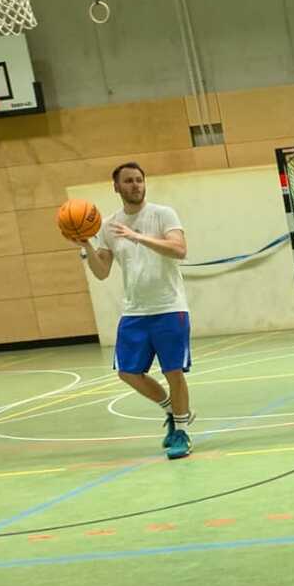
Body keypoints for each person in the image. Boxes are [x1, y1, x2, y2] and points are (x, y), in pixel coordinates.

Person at [79, 161, 194, 459]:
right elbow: (102, 272)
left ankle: (182, 432)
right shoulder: (108, 226)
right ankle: (172, 411)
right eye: (128, 181)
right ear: (116, 187)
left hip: (169, 307)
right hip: (134, 311)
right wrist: (86, 245)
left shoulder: (163, 214)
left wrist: (138, 236)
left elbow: (179, 250)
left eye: (139, 180)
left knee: (173, 371)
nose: (135, 185)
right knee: (128, 372)